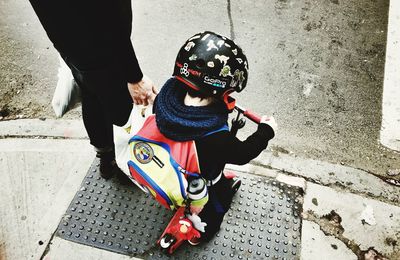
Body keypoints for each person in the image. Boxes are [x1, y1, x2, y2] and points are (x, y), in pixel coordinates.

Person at [128, 31, 277, 244]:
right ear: (218, 92)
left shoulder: (165, 102)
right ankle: (200, 235)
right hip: (203, 184)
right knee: (216, 207)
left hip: (174, 166)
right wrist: (266, 131)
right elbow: (244, 153)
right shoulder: (215, 136)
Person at [28, 0, 157, 178]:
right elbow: (106, 15)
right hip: (102, 47)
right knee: (120, 106)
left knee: (91, 94)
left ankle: (105, 155)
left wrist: (63, 49)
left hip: (70, 43)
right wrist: (134, 76)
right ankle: (124, 164)